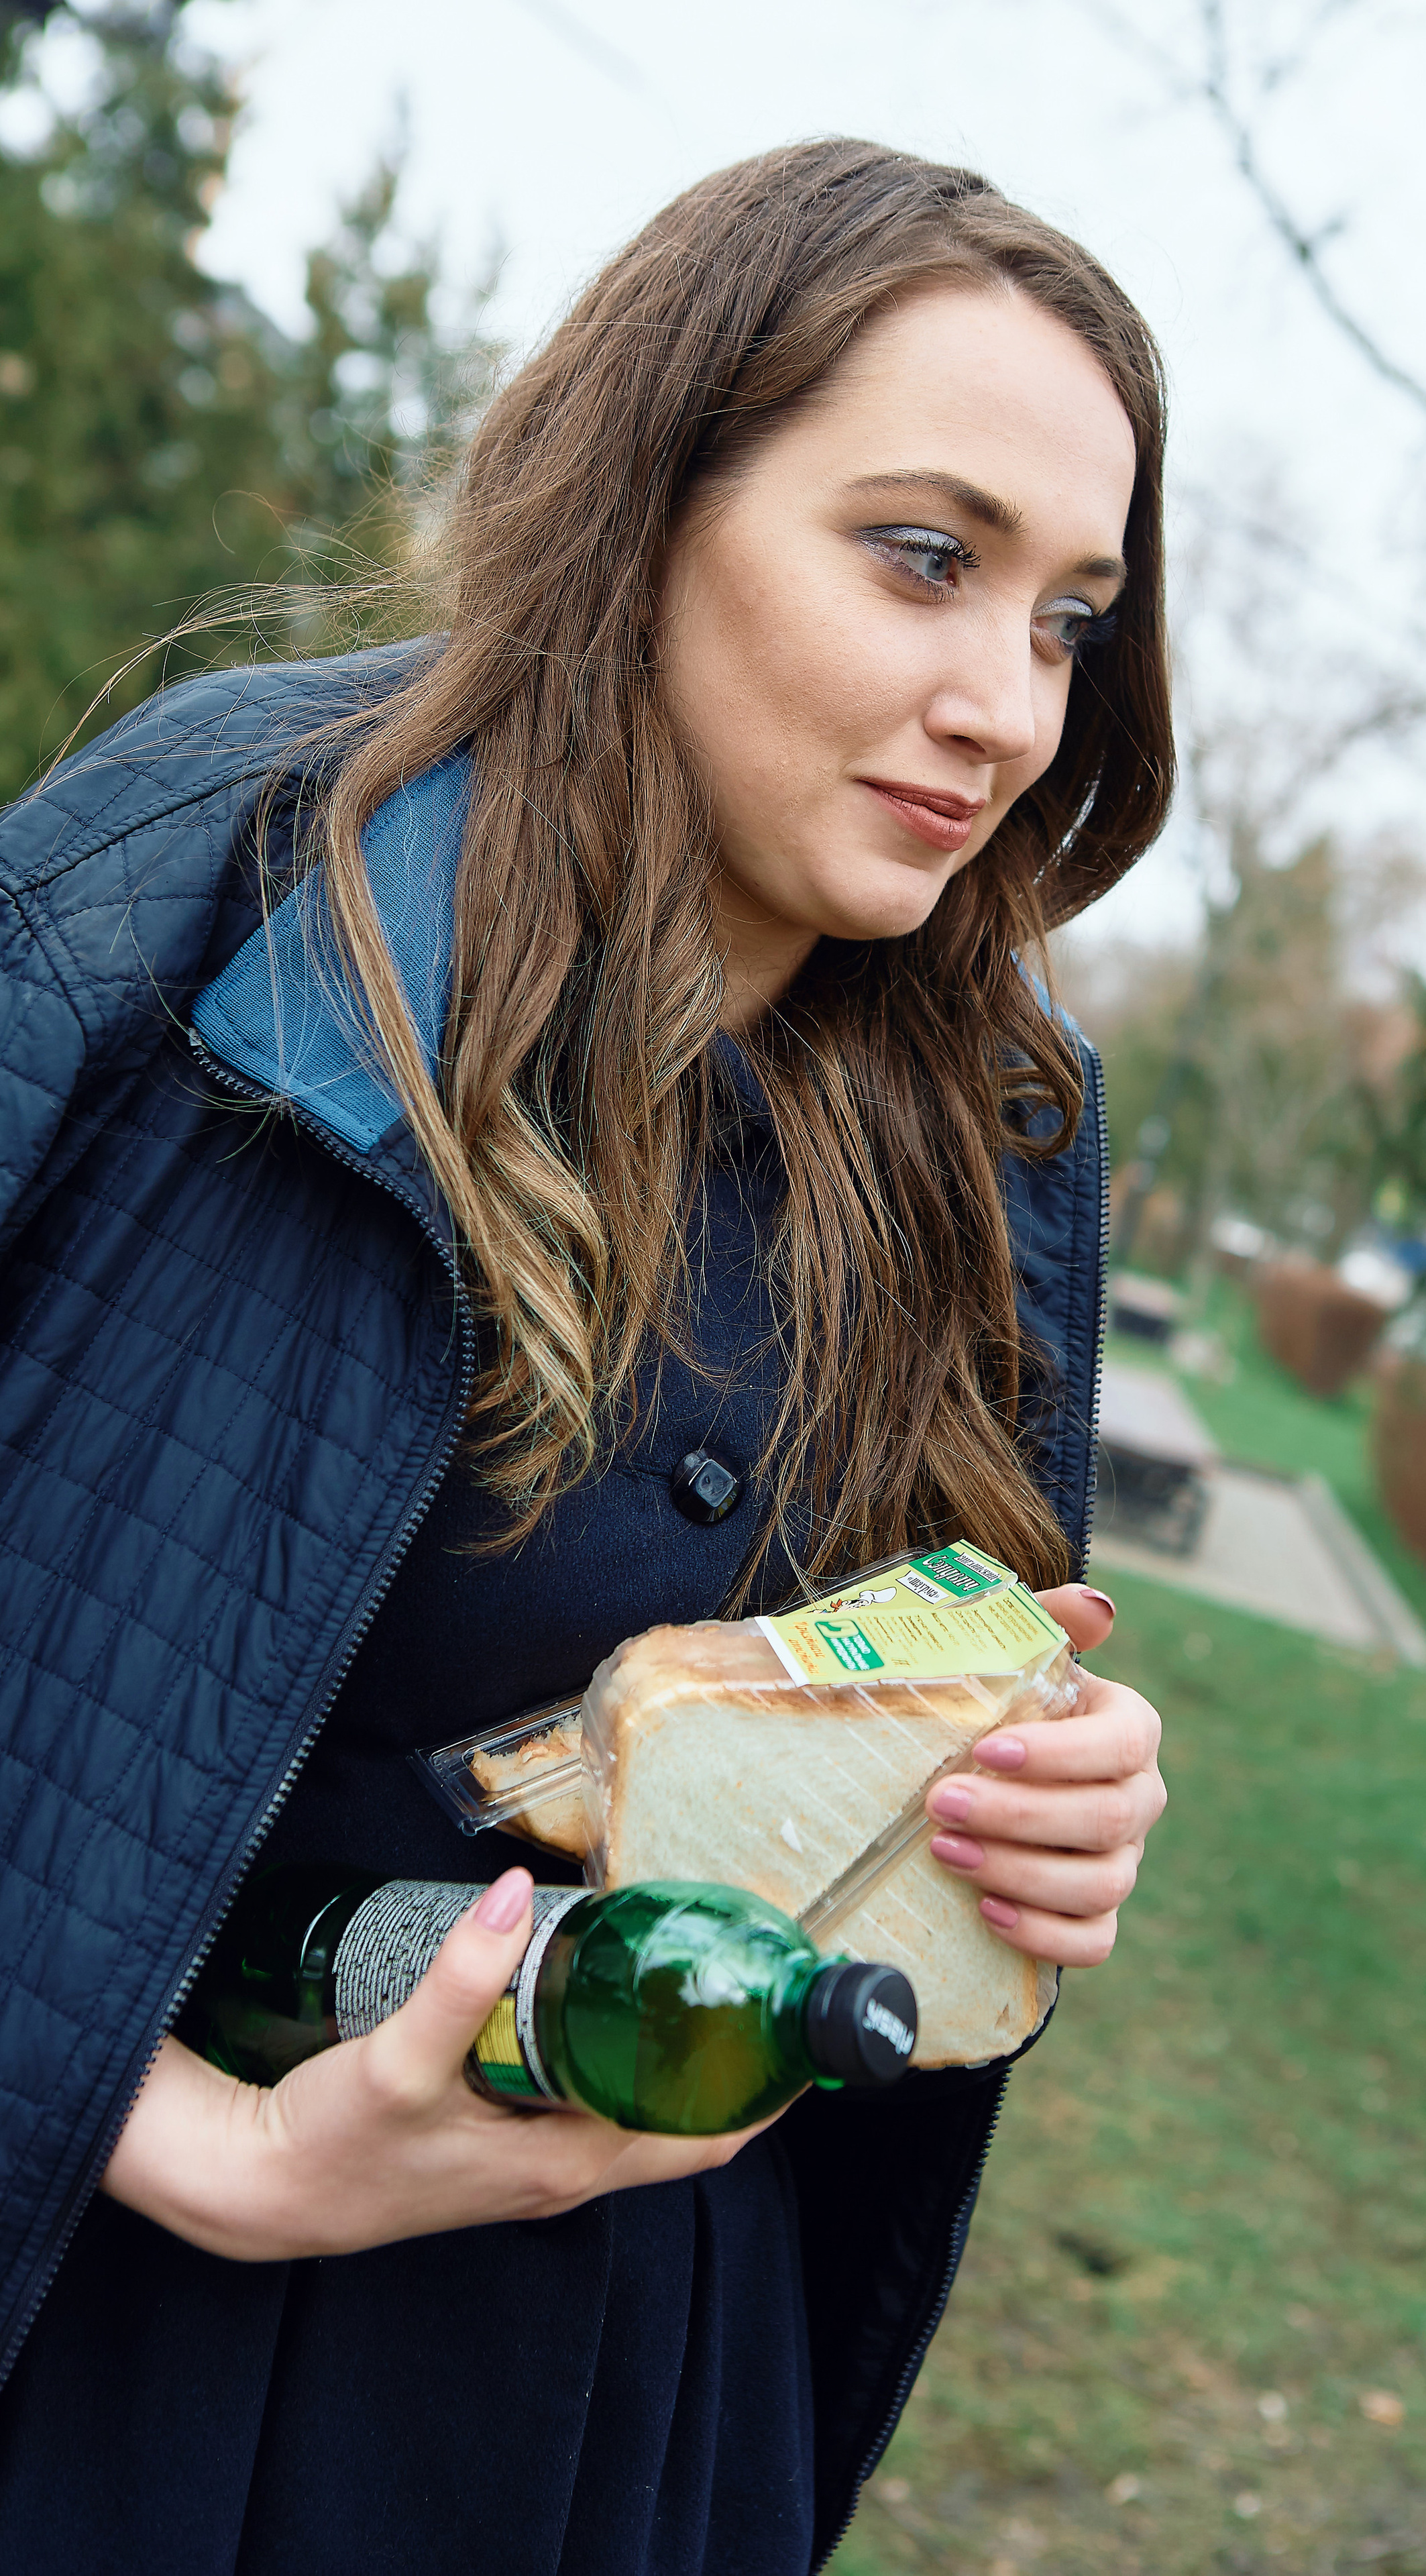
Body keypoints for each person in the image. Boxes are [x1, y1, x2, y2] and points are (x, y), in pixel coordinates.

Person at [0, 140, 1171, 2575]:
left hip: (650, 2422)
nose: (1006, 710)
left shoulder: (998, 1126)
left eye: (1070, 617)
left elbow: (843, 1776)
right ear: (649, 495)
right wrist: (179, 2145)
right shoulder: (217, 880)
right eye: (923, 558)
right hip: (127, 2369)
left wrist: (1019, 1816)